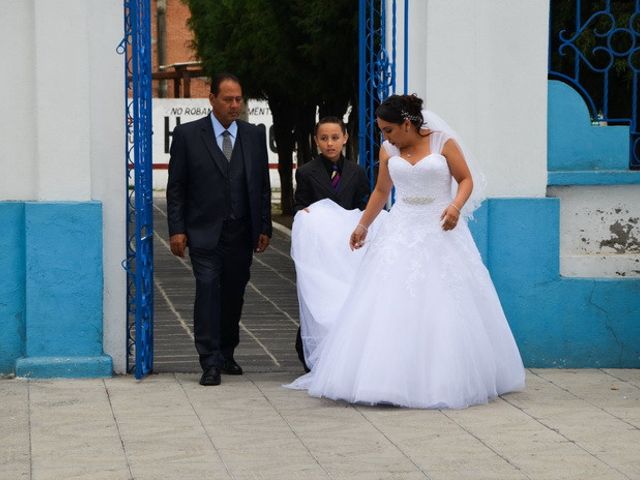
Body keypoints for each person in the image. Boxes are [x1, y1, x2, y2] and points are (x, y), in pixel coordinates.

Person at [286, 94, 525, 409]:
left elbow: (465, 179)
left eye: (388, 130)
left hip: (441, 227)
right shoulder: (389, 150)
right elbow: (382, 191)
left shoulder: (443, 142)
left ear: (407, 124)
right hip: (401, 226)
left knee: (442, 299)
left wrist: (455, 206)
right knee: (390, 298)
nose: (384, 137)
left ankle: (443, 378)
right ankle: (385, 378)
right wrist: (363, 226)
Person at [166, 73, 272, 386]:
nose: (234, 105)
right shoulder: (187, 135)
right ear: (212, 99)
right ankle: (209, 360)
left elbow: (262, 185)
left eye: (239, 99)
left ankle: (227, 352)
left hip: (241, 233)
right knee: (208, 292)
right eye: (228, 99)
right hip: (203, 232)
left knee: (234, 295)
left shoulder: (253, 135)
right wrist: (176, 229)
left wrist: (264, 225)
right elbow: (176, 187)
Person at [292, 117, 370, 372]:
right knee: (320, 296)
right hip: (320, 249)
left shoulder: (357, 172)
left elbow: (364, 205)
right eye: (324, 138)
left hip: (348, 247)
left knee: (345, 294)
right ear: (316, 141)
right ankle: (310, 349)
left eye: (335, 137)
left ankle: (345, 351)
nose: (330, 143)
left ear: (345, 138)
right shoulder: (305, 172)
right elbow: (299, 206)